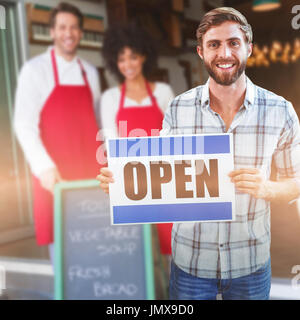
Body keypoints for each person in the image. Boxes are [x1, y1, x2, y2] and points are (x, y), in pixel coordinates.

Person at [97, 7, 300, 300]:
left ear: (249, 48)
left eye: (233, 42)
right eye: (214, 45)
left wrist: (268, 188)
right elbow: (159, 176)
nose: (225, 53)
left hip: (250, 264)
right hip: (191, 264)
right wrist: (121, 182)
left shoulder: (281, 111)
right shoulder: (178, 108)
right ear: (201, 53)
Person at [14, 2, 102, 264]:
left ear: (80, 33)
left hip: (89, 173)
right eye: (62, 27)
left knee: (95, 244)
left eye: (74, 28)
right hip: (55, 177)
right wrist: (44, 168)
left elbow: (96, 122)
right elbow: (24, 124)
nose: (69, 33)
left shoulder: (90, 72)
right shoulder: (35, 70)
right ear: (52, 32)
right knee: (63, 253)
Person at [99, 23, 175, 259]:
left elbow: (174, 137)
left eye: (133, 57)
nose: (128, 64)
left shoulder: (163, 92)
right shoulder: (110, 98)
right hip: (131, 184)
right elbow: (112, 146)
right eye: (121, 59)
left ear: (143, 55)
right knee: (141, 253)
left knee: (172, 246)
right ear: (115, 62)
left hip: (166, 180)